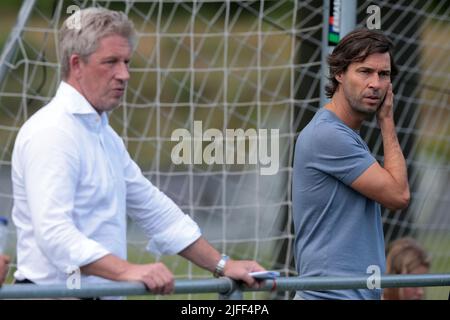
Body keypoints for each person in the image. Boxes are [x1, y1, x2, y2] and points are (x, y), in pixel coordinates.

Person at [11, 7, 264, 296]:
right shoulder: (52, 132)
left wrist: (221, 264)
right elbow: (54, 234)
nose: (124, 74)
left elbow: (153, 208)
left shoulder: (103, 134)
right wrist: (128, 270)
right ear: (76, 64)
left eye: (127, 62)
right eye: (111, 62)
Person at [292, 28, 410, 300]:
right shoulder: (329, 135)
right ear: (340, 73)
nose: (376, 84)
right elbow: (398, 195)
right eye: (365, 71)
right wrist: (387, 122)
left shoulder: (345, 135)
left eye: (384, 75)